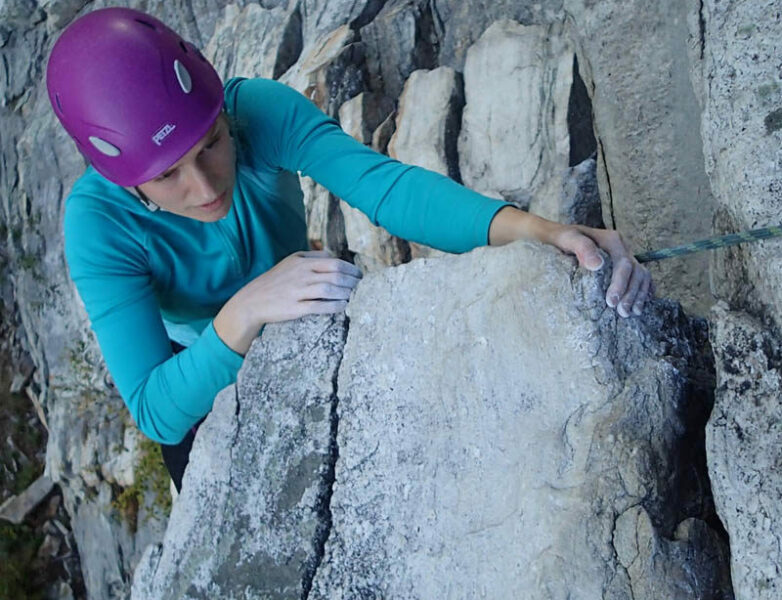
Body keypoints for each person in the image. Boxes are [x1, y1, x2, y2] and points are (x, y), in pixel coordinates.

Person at [46, 7, 652, 491]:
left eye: (211, 143)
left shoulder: (255, 110)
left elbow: (386, 189)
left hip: (306, 296)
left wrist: (542, 232)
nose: (204, 187)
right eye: (166, 175)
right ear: (123, 178)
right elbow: (156, 410)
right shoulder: (98, 225)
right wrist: (244, 312)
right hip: (199, 370)